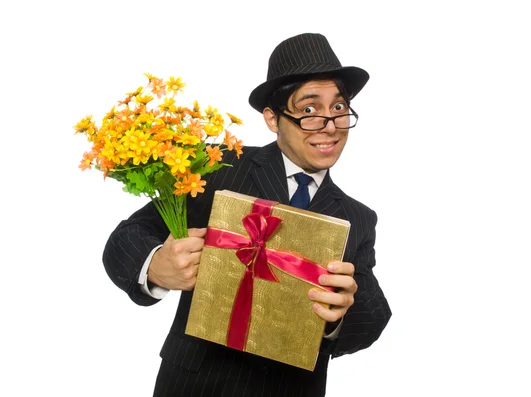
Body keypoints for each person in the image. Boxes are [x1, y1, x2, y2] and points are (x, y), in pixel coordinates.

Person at [102, 32, 391, 397]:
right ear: (272, 118)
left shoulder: (357, 218)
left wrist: (342, 313)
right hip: (196, 384)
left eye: (338, 108)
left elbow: (373, 317)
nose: (330, 125)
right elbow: (126, 237)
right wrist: (156, 265)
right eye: (308, 110)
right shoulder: (218, 167)